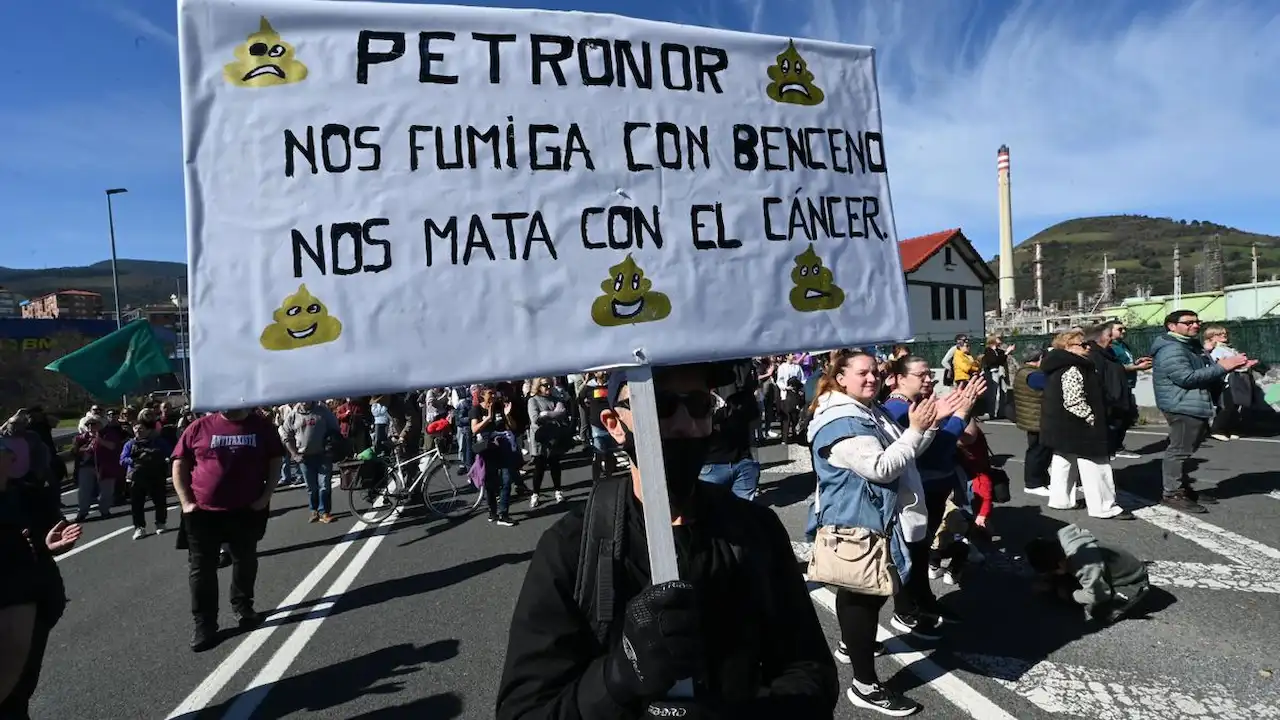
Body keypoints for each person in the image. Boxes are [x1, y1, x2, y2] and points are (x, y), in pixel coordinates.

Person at [497, 363, 838, 719]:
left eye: (700, 406)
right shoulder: (571, 547)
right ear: (614, 424)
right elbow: (525, 710)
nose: (685, 424)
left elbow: (810, 671)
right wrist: (616, 681)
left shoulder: (755, 529)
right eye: (658, 406)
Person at [805, 350, 931, 715]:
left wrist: (928, 425)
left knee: (866, 597)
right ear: (840, 377)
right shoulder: (841, 421)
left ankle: (850, 645)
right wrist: (917, 430)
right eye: (863, 373)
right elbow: (881, 467)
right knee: (862, 597)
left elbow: (905, 453)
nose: (872, 378)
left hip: (872, 522)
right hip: (856, 527)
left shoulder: (866, 410)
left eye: (876, 372)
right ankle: (865, 685)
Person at [172, 407, 284, 652]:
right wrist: (186, 502)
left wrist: (266, 496)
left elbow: (276, 459)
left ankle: (243, 608)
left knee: (245, 560)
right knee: (201, 569)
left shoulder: (262, 426)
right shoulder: (199, 427)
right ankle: (205, 624)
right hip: (202, 512)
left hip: (246, 510)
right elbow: (179, 463)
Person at [0, 435, 82, 718]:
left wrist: (46, 548)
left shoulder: (29, 498)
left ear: (11, 461)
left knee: (14, 693)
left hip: (27, 601)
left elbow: (35, 550)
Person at [1150, 310, 1253, 513]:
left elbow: (1206, 371)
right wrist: (1223, 367)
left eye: (1197, 322)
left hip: (1194, 403)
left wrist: (1232, 367)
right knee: (1179, 450)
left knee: (1186, 448)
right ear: (1172, 326)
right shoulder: (1171, 349)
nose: (1195, 325)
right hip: (1181, 404)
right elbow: (1185, 378)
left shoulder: (1191, 346)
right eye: (1188, 322)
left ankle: (1182, 488)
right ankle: (1172, 493)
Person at [1039, 331, 1132, 520]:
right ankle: (1104, 507)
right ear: (1067, 347)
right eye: (1082, 344)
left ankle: (1060, 500)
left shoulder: (1056, 365)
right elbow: (1073, 400)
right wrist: (1091, 417)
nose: (1087, 347)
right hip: (1079, 424)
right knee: (1096, 464)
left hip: (1060, 423)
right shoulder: (1074, 367)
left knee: (1064, 460)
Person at [1025, 524, 1150, 624]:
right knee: (1060, 583)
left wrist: (1071, 595)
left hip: (1131, 581)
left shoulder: (1085, 563)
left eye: (1052, 570)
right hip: (1095, 569)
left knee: (1098, 611)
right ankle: (1065, 584)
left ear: (1060, 564)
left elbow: (1099, 595)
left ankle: (1130, 596)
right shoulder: (1062, 543)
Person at [699, 359, 762, 501]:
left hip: (742, 461)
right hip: (712, 463)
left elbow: (753, 417)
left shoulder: (742, 395)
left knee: (743, 517)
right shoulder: (699, 396)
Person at [1083, 324, 1138, 459]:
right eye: (1108, 336)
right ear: (1099, 338)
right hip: (1108, 403)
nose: (1111, 339)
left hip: (1117, 399)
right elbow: (1099, 382)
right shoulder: (1095, 356)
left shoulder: (1108, 353)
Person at [283, 400, 341, 524]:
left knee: (324, 485)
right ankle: (313, 510)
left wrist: (331, 446)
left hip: (323, 455)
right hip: (304, 457)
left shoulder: (322, 411)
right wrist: (294, 454)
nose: (304, 401)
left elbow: (335, 428)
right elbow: (286, 435)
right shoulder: (293, 414)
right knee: (311, 487)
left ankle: (324, 512)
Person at [471, 387, 520, 527]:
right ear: (482, 396)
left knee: (506, 479)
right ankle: (492, 511)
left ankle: (503, 514)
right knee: (491, 482)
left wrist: (507, 415)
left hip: (503, 446)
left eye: (494, 393)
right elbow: (474, 429)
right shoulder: (476, 410)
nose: (493, 396)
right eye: (489, 394)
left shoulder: (499, 406)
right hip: (488, 448)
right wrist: (488, 418)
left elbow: (513, 427)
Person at [121, 417, 174, 539]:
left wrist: (164, 459)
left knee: (160, 501)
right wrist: (134, 461)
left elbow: (170, 453)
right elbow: (122, 459)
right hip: (136, 477)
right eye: (136, 428)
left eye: (141, 428)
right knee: (137, 504)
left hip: (155, 475)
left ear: (148, 430)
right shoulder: (130, 444)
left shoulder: (158, 441)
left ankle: (160, 523)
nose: (138, 431)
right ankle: (139, 527)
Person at [1011, 348, 1052, 496]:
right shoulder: (1034, 375)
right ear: (1039, 358)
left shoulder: (1024, 372)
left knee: (1039, 451)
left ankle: (1040, 480)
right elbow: (1052, 387)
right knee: (1038, 452)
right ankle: (1033, 483)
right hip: (1037, 418)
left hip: (1032, 417)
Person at [527, 378, 572, 507]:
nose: (548, 387)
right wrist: (553, 414)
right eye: (545, 385)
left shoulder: (555, 399)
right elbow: (535, 419)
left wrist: (545, 414)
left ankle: (558, 491)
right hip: (540, 438)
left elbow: (562, 413)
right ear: (538, 386)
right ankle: (535, 494)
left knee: (555, 465)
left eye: (550, 385)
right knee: (539, 467)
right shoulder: (533, 400)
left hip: (554, 437)